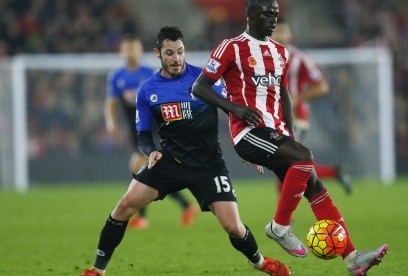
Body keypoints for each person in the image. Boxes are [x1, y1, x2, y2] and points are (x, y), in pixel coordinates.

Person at [192, 0, 388, 275]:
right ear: (250, 15)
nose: (273, 19)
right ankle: (279, 226)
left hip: (275, 132)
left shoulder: (281, 53)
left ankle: (353, 259)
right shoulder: (232, 47)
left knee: (315, 186)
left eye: (275, 14)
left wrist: (290, 139)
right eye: (266, 14)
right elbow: (199, 88)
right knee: (305, 158)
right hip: (248, 133)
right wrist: (235, 109)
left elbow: (283, 95)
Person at [82, 26, 290, 276]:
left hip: (209, 164)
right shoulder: (148, 90)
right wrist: (150, 151)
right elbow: (143, 133)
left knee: (233, 227)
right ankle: (97, 270)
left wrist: (251, 148)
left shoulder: (204, 80)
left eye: (180, 52)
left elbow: (233, 110)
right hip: (170, 160)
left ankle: (260, 262)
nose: (176, 58)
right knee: (124, 206)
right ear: (157, 53)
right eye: (169, 53)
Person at [105, 35, 198, 229]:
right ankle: (185, 206)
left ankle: (142, 217)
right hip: (135, 129)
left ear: (140, 51)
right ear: (122, 52)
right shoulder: (116, 76)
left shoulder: (149, 73)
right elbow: (111, 103)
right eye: (128, 48)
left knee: (140, 166)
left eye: (135, 48)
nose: (132, 52)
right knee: (149, 170)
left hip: (153, 128)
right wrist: (111, 124)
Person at [270, 17, 352, 195]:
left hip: (295, 118)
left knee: (285, 164)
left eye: (284, 30)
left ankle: (285, 219)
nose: (280, 35)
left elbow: (322, 86)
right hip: (273, 119)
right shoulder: (261, 56)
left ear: (290, 34)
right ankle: (335, 172)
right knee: (285, 165)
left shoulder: (300, 59)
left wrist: (296, 98)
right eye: (277, 30)